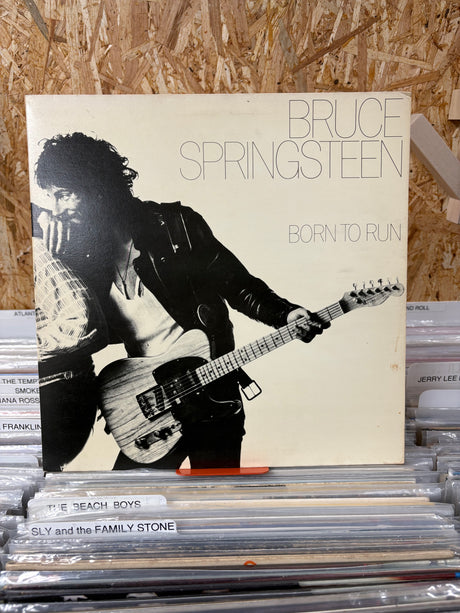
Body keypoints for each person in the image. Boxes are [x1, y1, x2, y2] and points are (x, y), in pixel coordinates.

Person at [32, 132, 329, 471]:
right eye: (51, 198)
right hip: (152, 404)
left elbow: (237, 284)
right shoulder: (82, 252)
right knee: (128, 500)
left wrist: (286, 314)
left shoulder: (177, 226)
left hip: (213, 394)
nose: (57, 209)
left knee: (214, 499)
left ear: (96, 186)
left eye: (63, 195)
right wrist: (39, 218)